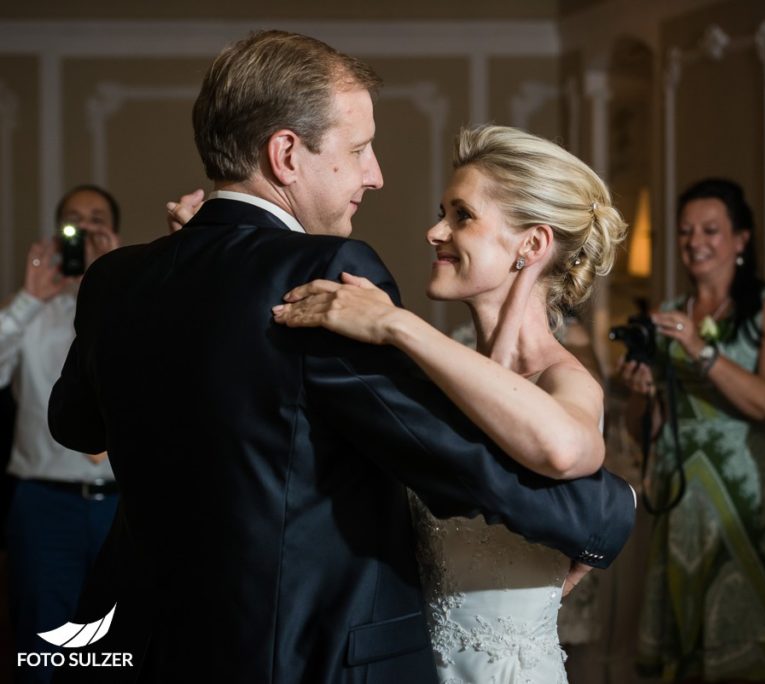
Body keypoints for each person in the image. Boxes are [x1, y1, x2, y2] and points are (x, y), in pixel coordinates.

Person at [46, 31, 635, 684]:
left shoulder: (120, 279)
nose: (376, 174)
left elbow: (75, 426)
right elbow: (454, 455)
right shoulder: (321, 275)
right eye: (359, 150)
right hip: (294, 655)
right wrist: (608, 515)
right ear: (287, 154)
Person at [271, 124, 628, 682]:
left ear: (532, 245)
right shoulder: (431, 382)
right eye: (444, 211)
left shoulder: (565, 379)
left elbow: (565, 449)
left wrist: (395, 322)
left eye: (462, 215)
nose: (435, 230)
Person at [617, 178, 765, 681]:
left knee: (744, 624)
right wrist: (639, 389)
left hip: (745, 492)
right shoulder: (670, 312)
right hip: (680, 495)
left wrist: (702, 350)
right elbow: (640, 428)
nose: (695, 241)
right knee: (685, 628)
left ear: (742, 239)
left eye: (711, 230)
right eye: (685, 231)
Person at [0, 185, 120, 683]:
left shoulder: (129, 310)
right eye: (76, 219)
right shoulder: (30, 315)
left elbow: (166, 374)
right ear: (58, 233)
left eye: (98, 220)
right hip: (43, 505)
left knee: (119, 650)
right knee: (42, 649)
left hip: (122, 507)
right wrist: (28, 298)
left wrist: (118, 282)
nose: (87, 228)